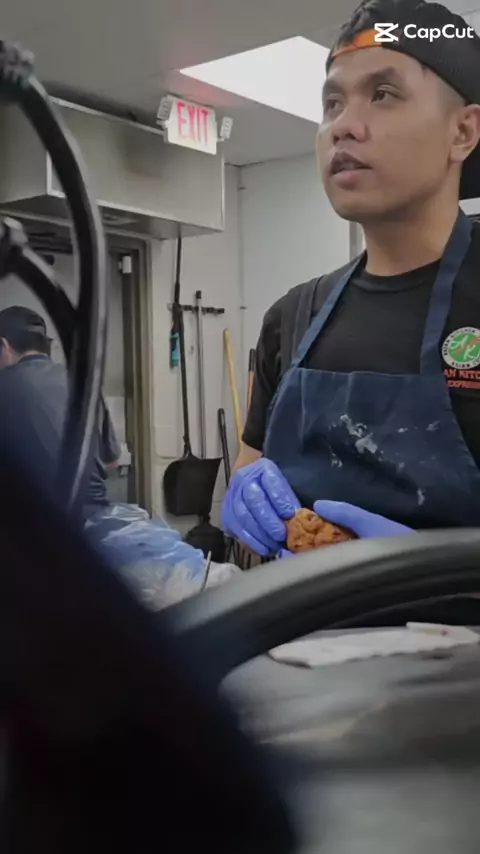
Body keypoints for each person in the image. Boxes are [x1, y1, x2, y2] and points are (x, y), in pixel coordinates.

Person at [222, 0, 480, 557]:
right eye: (332, 103)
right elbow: (251, 463)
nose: (343, 125)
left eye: (382, 94)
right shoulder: (292, 318)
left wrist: (443, 570)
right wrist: (245, 497)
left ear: (463, 132)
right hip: (305, 615)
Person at [0, 305, 120, 517]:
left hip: (34, 521)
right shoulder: (84, 381)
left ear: (4, 345)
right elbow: (112, 462)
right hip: (93, 519)